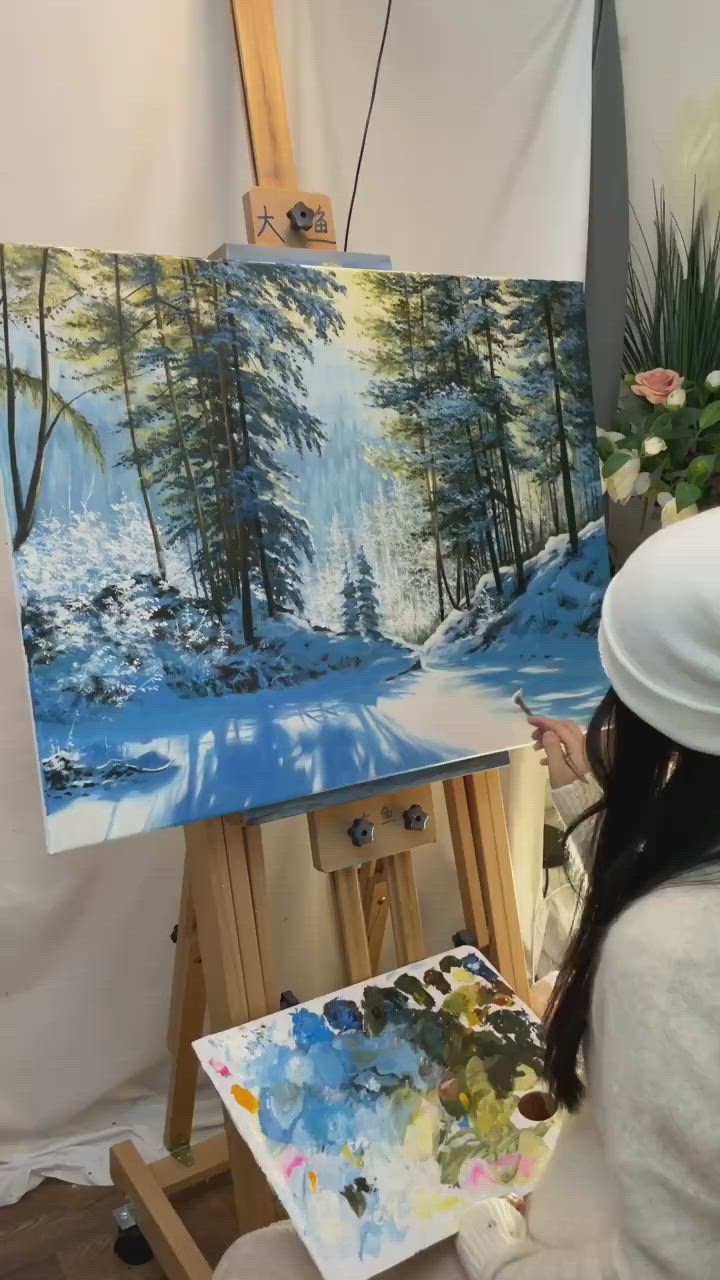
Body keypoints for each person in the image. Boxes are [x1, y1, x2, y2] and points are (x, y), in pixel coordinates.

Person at [215, 508, 720, 1280]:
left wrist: (496, 1256)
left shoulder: (671, 954)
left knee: (253, 1264)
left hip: (555, 1251)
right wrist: (589, 797)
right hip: (592, 1202)